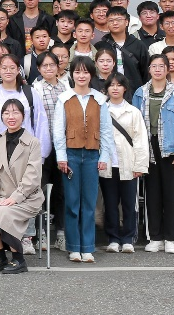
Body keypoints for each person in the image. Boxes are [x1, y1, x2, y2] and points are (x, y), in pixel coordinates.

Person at [52, 57, 114, 262]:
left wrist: (104, 156)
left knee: (89, 202)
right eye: (77, 72)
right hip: (70, 154)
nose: (81, 76)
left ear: (91, 75)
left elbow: (106, 131)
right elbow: (58, 130)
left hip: (92, 155)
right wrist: (61, 157)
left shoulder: (100, 99)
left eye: (85, 72)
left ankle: (87, 247)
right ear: (72, 74)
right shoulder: (64, 98)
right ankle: (73, 247)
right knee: (72, 202)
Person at [0, 99, 44, 275]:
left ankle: (19, 259)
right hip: (2, 196)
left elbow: (33, 177)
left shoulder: (33, 142)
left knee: (3, 213)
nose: (11, 117)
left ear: (23, 116)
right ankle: (0, 257)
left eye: (15, 113)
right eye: (6, 113)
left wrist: (15, 197)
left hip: (28, 198)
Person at [131, 53, 174, 253]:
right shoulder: (140, 93)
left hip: (170, 147)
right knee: (151, 193)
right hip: (147, 146)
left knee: (172, 194)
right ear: (149, 69)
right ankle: (154, 237)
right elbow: (134, 123)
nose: (157, 69)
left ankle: (171, 238)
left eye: (161, 66)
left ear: (167, 69)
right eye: (154, 66)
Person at [99, 73, 148, 254]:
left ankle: (128, 238)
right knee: (110, 203)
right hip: (108, 164)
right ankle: (113, 238)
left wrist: (140, 165)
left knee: (129, 204)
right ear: (106, 89)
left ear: (125, 88)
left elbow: (141, 140)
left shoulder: (133, 112)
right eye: (111, 85)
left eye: (119, 85)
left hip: (129, 163)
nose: (115, 88)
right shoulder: (101, 110)